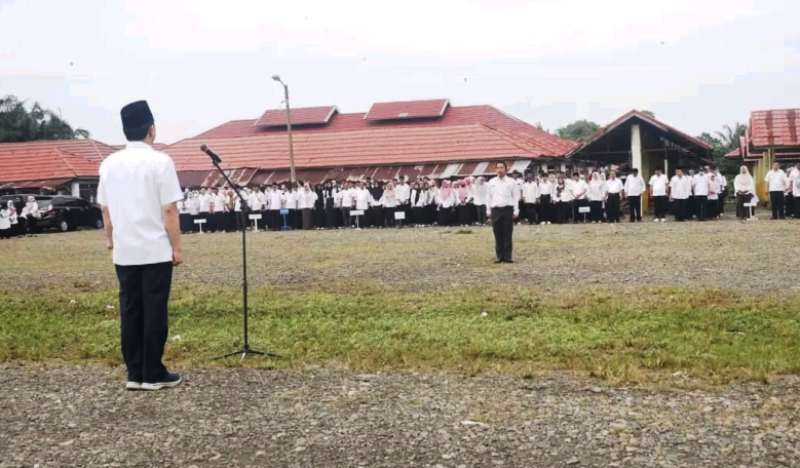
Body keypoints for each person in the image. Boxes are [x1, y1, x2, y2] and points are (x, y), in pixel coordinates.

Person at [97, 100, 183, 391]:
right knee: (154, 310)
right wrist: (177, 247)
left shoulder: (108, 164)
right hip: (155, 249)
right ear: (152, 129)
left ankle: (134, 373)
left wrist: (110, 240)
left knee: (130, 309)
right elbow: (169, 210)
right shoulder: (161, 162)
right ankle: (153, 372)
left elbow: (106, 211)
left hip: (125, 251)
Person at [486, 162, 520, 263]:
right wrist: (488, 210)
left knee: (507, 233)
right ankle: (499, 256)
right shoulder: (491, 182)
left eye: (502, 168)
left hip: (507, 209)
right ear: (495, 169)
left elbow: (515, 196)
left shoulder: (511, 182)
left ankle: (508, 256)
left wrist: (516, 210)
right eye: (498, 168)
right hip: (496, 209)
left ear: (506, 169)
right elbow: (488, 197)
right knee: (497, 233)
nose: (500, 170)